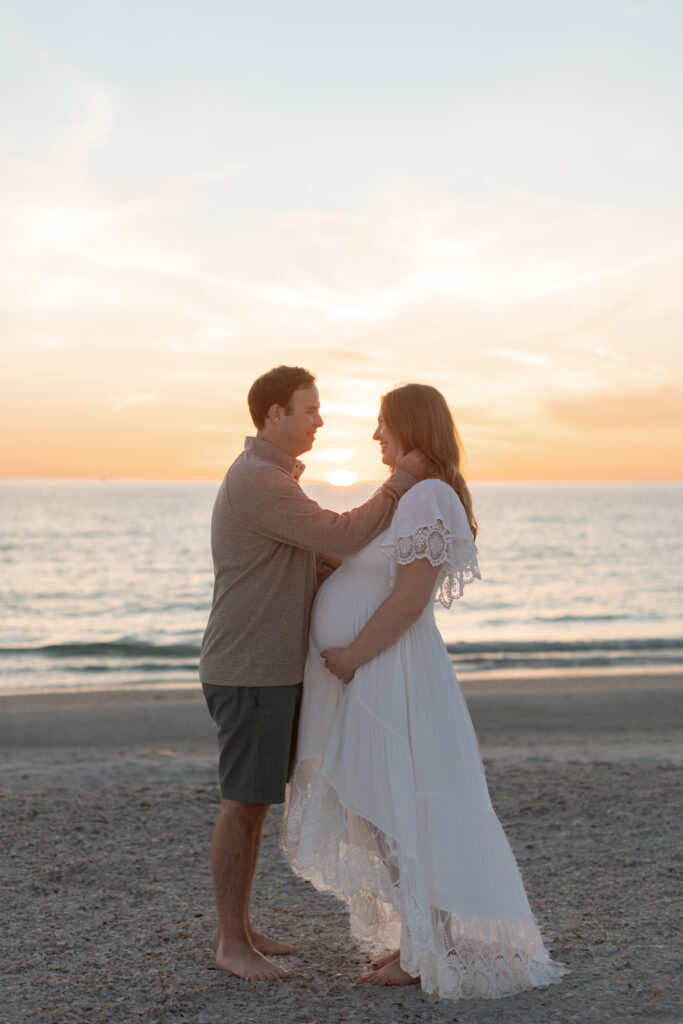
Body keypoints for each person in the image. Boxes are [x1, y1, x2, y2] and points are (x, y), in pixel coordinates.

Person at [281, 383, 565, 1000]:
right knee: (383, 808)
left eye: (384, 424)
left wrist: (353, 655)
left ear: (413, 427)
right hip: (376, 671)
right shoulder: (412, 496)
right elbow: (380, 571)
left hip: (387, 672)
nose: (376, 436)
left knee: (392, 810)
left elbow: (410, 599)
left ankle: (426, 945)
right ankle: (422, 936)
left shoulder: (427, 496)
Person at [200, 365, 427, 982]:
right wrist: (401, 482)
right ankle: (230, 942)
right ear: (274, 415)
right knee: (244, 802)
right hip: (250, 667)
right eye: (309, 409)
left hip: (269, 668)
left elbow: (320, 559)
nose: (320, 420)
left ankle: (241, 927)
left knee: (256, 800)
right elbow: (344, 534)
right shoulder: (258, 481)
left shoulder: (273, 480)